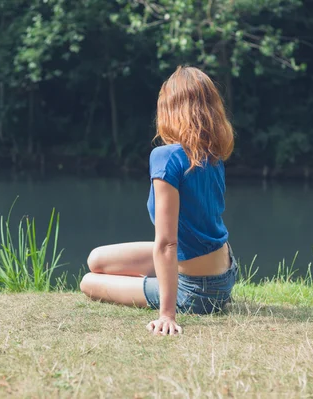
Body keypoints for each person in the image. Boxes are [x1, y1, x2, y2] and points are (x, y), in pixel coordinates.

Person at [79, 66, 237, 336]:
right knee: (97, 259)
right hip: (225, 274)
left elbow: (167, 242)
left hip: (196, 291)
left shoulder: (166, 157)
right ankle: (159, 282)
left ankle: (162, 289)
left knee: (89, 281)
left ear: (169, 110)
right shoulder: (213, 156)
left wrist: (167, 314)